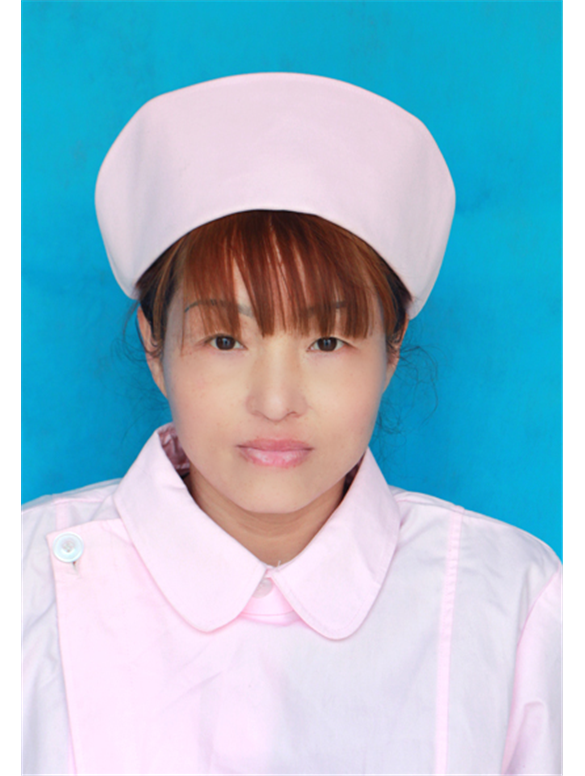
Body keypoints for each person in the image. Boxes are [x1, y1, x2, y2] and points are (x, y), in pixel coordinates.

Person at [22, 73, 561, 775]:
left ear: (392, 349)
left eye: (327, 342)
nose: (275, 402)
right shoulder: (21, 583)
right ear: (155, 346)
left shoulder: (513, 602)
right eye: (225, 340)